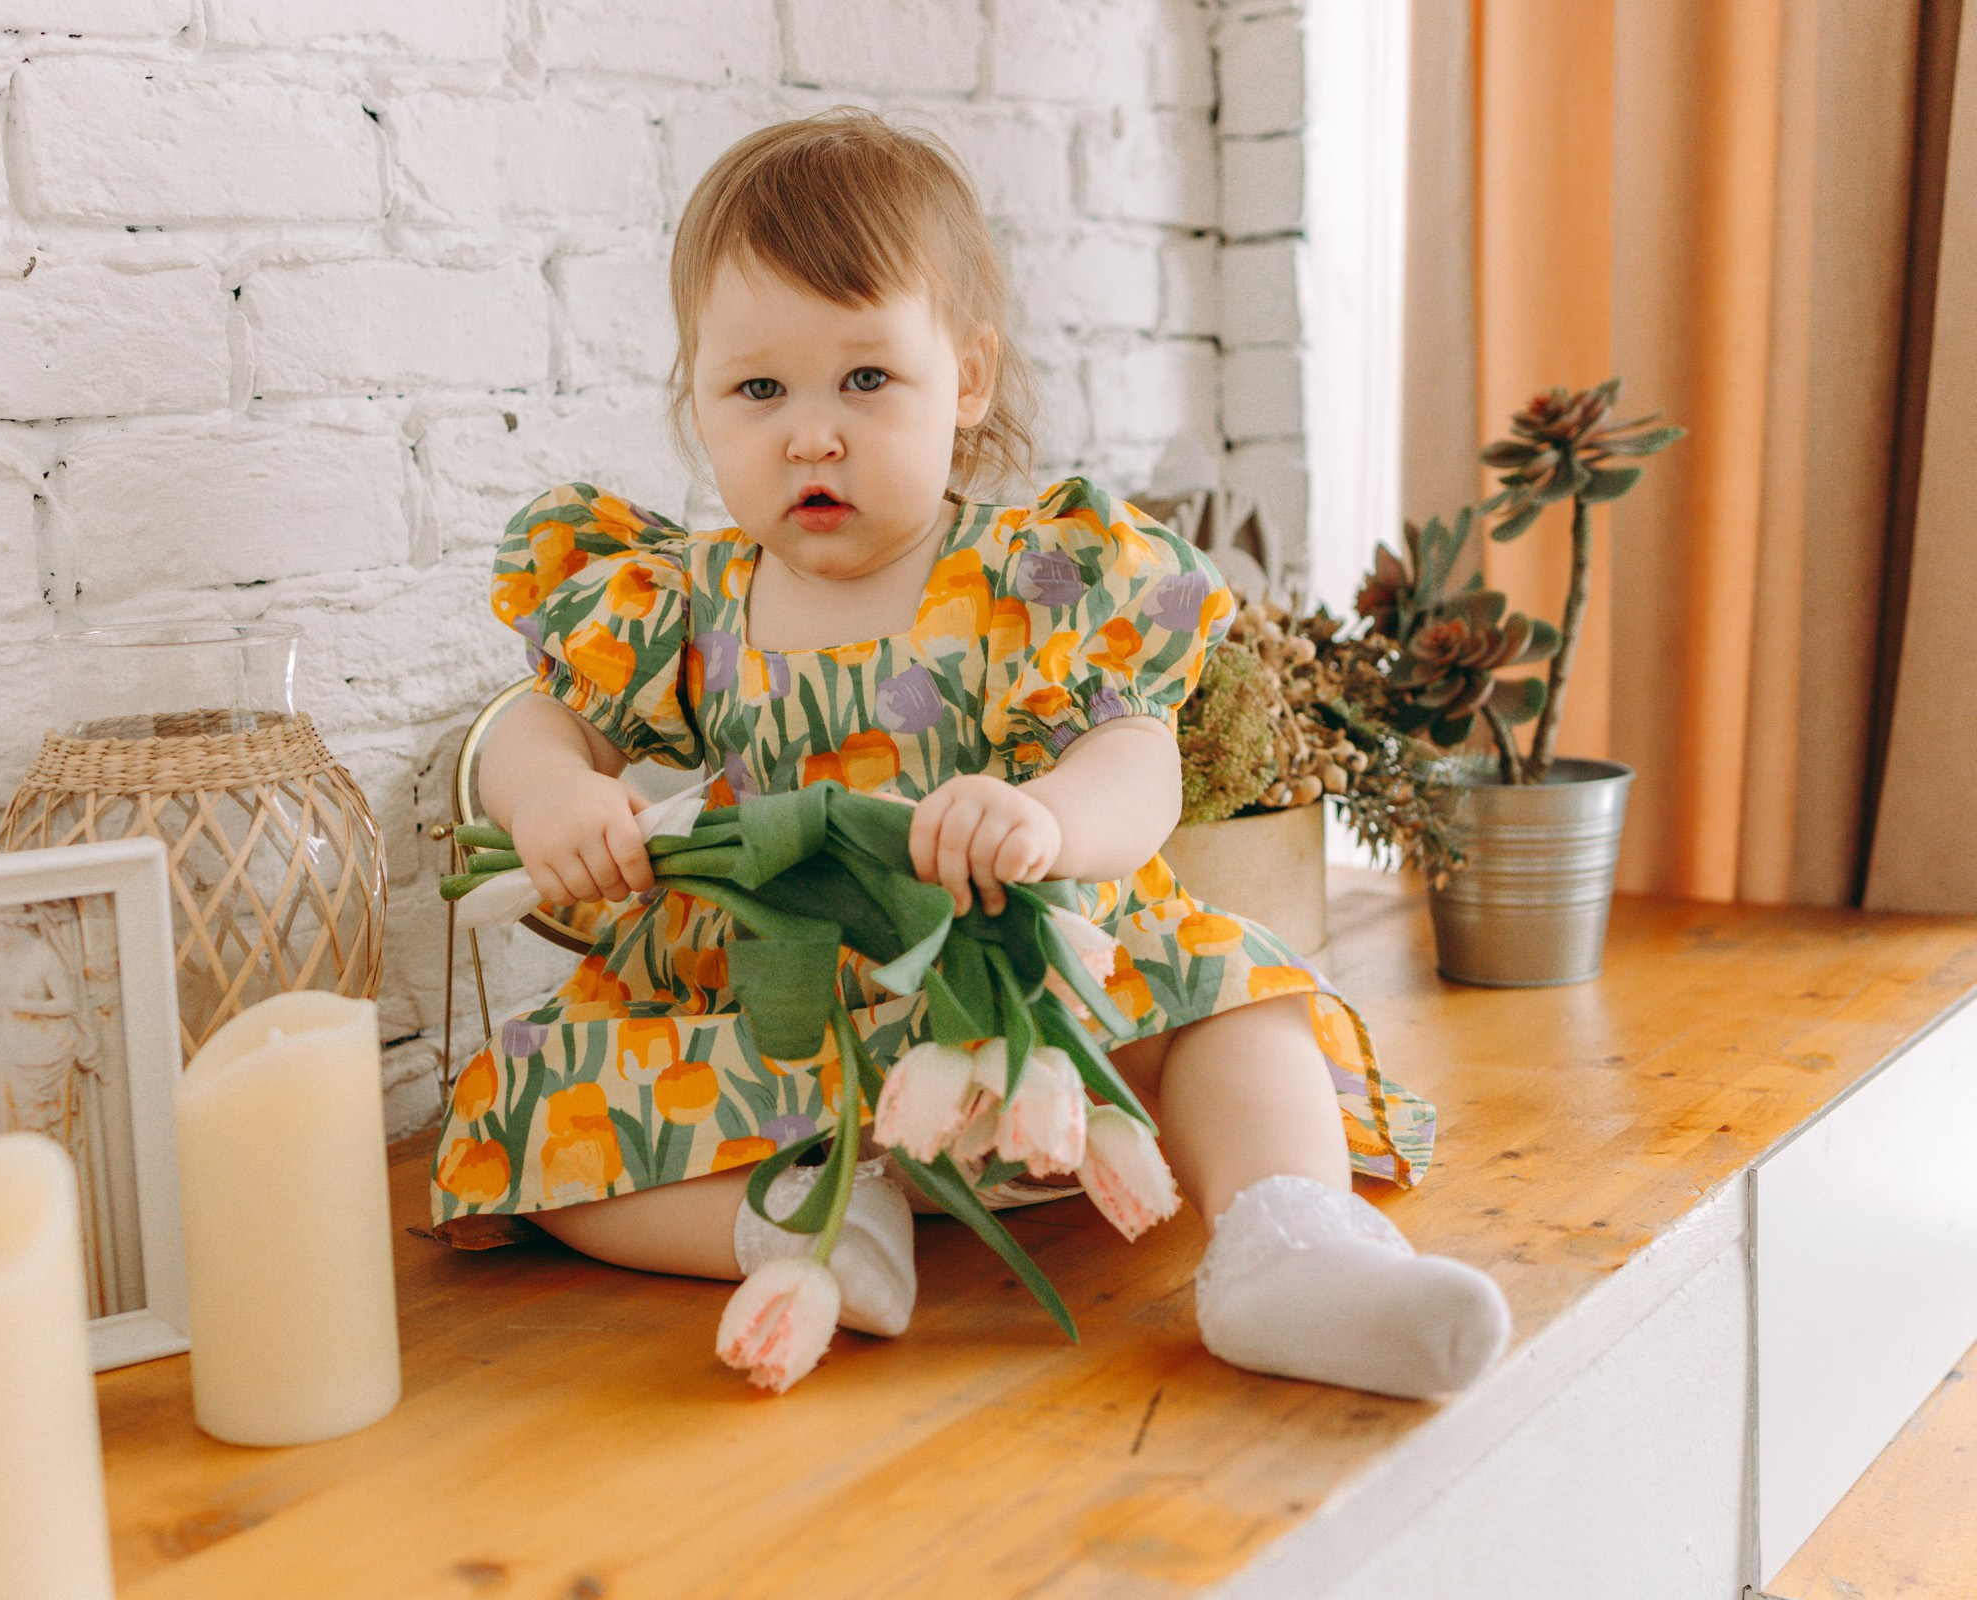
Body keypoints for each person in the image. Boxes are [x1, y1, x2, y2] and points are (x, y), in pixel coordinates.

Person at [431, 109, 1510, 1400]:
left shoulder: (1031, 573)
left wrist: (1050, 818)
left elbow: (1138, 755)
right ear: (696, 401)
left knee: (1238, 1002)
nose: (812, 434)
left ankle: (1291, 1251)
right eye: (759, 390)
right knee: (520, 1102)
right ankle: (798, 1226)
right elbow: (541, 718)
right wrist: (552, 789)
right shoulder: (681, 599)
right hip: (774, 1033)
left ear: (970, 378)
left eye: (866, 379)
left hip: (1020, 1012)